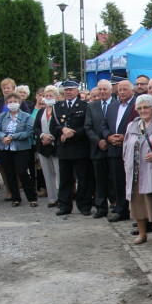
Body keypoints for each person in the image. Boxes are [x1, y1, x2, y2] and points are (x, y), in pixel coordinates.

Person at [122, 95, 152, 245]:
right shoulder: (132, 125)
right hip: (135, 170)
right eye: (139, 108)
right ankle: (142, 234)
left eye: (146, 107)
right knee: (136, 203)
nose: (143, 110)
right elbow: (126, 145)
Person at [53, 80, 93, 216]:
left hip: (80, 147)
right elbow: (54, 125)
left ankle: (84, 205)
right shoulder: (58, 106)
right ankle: (64, 205)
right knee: (65, 179)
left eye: (71, 89)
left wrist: (71, 134)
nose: (68, 92)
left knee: (83, 179)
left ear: (77, 91)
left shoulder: (85, 106)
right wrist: (63, 130)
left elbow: (87, 126)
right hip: (64, 148)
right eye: (66, 90)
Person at [0, 92, 38, 207]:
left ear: (19, 102)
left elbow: (29, 132)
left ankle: (32, 197)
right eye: (10, 101)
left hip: (21, 148)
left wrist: (13, 137)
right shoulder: (3, 116)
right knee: (9, 173)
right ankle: (15, 197)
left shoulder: (26, 116)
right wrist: (3, 137)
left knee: (22, 172)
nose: (12, 103)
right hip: (5, 147)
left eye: (15, 101)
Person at [103, 79, 136, 222]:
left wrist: (125, 137)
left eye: (125, 89)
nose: (121, 92)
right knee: (117, 181)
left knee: (132, 181)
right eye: (119, 89)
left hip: (130, 148)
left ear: (132, 91)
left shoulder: (136, 105)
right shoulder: (112, 106)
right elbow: (104, 125)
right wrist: (108, 137)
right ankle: (121, 210)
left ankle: (134, 212)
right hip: (114, 149)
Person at [84, 79, 115, 218]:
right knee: (100, 180)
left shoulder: (117, 104)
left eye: (105, 89)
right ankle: (101, 208)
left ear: (111, 90)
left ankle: (118, 205)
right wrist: (99, 141)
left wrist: (110, 139)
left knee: (115, 179)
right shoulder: (92, 106)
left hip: (114, 147)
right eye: (100, 89)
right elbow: (88, 127)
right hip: (97, 148)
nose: (102, 92)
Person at [33, 85, 61, 207]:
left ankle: (61, 197)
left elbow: (61, 126)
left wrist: (51, 137)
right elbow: (36, 127)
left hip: (56, 145)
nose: (48, 98)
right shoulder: (40, 112)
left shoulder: (59, 110)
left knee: (59, 172)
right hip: (43, 146)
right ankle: (52, 198)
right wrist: (42, 135)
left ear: (56, 97)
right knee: (47, 173)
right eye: (46, 96)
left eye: (51, 96)